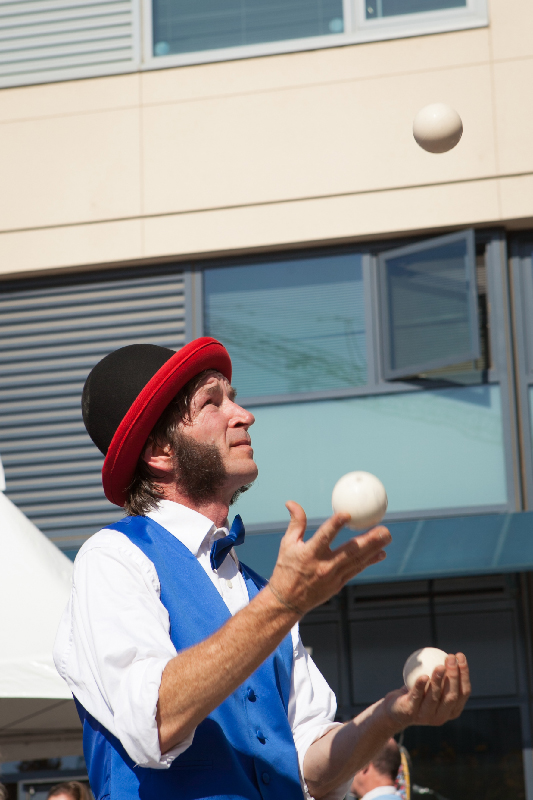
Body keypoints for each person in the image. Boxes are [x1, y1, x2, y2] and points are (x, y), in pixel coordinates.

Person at [53, 337, 471, 800]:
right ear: (160, 452)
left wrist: (394, 712)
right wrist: (283, 604)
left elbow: (311, 768)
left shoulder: (257, 587)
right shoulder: (113, 558)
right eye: (213, 402)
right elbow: (153, 719)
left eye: (232, 397)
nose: (243, 415)